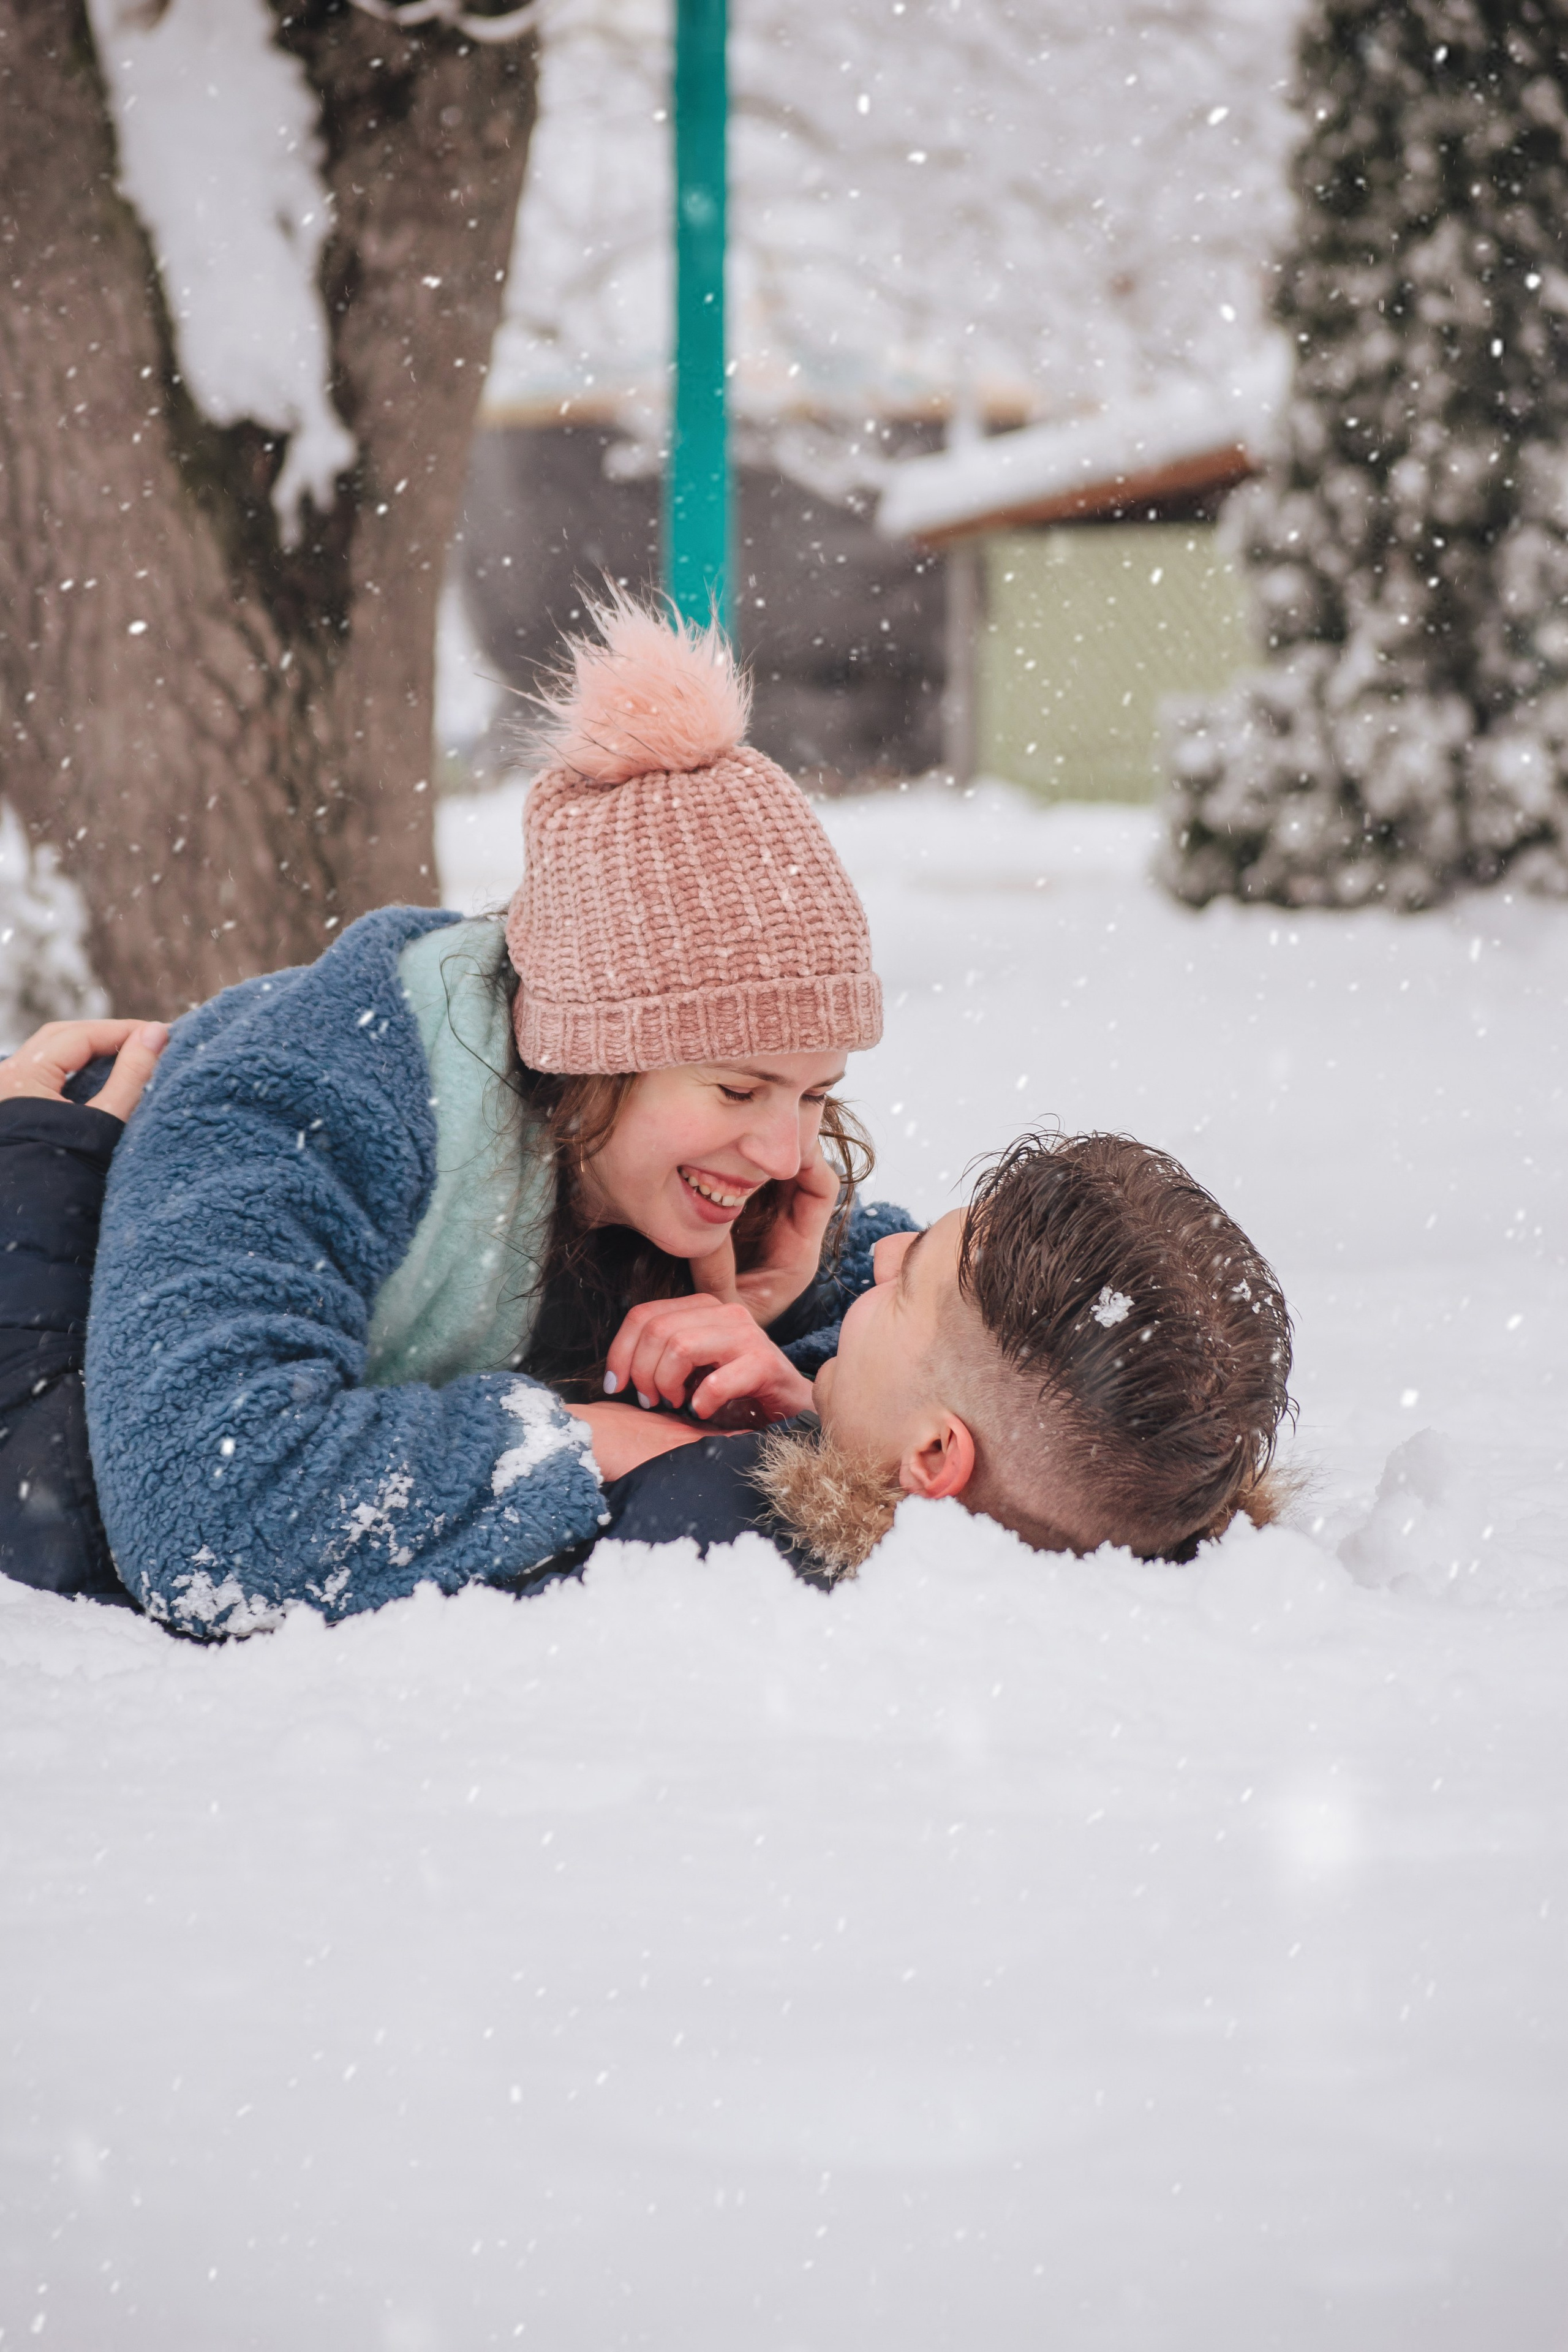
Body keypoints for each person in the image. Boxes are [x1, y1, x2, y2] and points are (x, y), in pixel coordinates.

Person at [24, 599, 914, 1635]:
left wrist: (793, 1336)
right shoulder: (316, 1102)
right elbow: (209, 1517)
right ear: (591, 1050)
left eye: (816, 1095)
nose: (785, 1152)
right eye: (738, 1089)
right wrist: (592, 1439)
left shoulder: (707, 1170)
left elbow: (964, 1358)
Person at [587, 1129, 1295, 1576]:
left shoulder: (705, 1536)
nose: (883, 1253)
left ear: (932, 1456)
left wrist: (559, 1439)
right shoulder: (1111, 1524)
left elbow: (479, 1504)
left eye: (905, 1282)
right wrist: (819, 1405)